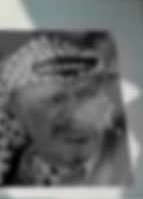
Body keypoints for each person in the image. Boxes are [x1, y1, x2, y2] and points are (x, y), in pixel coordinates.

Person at [0, 31, 134, 188]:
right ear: (19, 112)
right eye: (54, 100)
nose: (76, 113)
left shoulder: (131, 162)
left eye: (87, 95)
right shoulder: (18, 166)